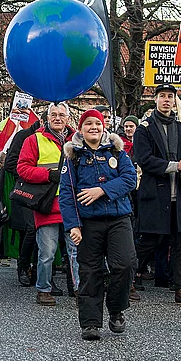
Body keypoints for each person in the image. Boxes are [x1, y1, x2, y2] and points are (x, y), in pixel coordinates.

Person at [59, 109, 138, 341]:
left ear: (104, 127)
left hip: (118, 219)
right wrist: (72, 225)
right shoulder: (73, 156)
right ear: (81, 130)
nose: (93, 127)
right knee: (90, 271)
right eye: (88, 124)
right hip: (88, 222)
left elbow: (130, 179)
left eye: (97, 123)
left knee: (125, 264)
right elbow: (66, 193)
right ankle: (90, 322)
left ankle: (116, 310)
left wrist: (102, 190)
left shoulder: (117, 151)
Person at [132, 83, 181, 307]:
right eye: (162, 96)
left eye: (170, 97)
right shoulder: (144, 129)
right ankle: (127, 278)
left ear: (174, 101)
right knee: (149, 241)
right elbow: (144, 159)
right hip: (156, 194)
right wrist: (174, 166)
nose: (166, 100)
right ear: (155, 100)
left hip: (180, 197)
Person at [17, 102, 79, 306]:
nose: (58, 118)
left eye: (62, 115)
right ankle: (43, 289)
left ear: (68, 118)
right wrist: (49, 175)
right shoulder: (34, 139)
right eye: (54, 114)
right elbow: (22, 169)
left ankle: (79, 289)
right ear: (47, 117)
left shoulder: (77, 139)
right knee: (47, 253)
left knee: (75, 251)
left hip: (72, 204)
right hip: (47, 205)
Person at [4, 115, 44, 286]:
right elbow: (10, 163)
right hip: (28, 189)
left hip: (48, 190)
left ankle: (39, 271)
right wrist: (29, 174)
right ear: (43, 121)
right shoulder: (24, 136)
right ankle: (23, 266)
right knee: (31, 229)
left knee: (46, 231)